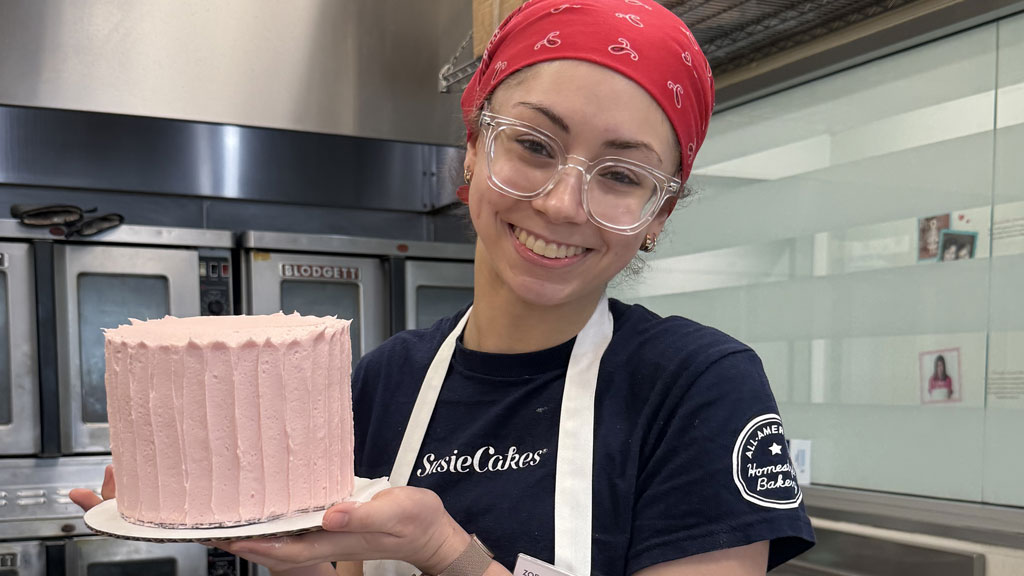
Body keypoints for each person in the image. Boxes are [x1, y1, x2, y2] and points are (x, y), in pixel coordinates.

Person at [72, 1, 815, 574]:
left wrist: (448, 554)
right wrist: (277, 546)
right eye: (534, 145)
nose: (562, 204)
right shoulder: (383, 381)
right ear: (472, 149)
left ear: (658, 215)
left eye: (621, 175)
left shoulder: (697, 387)